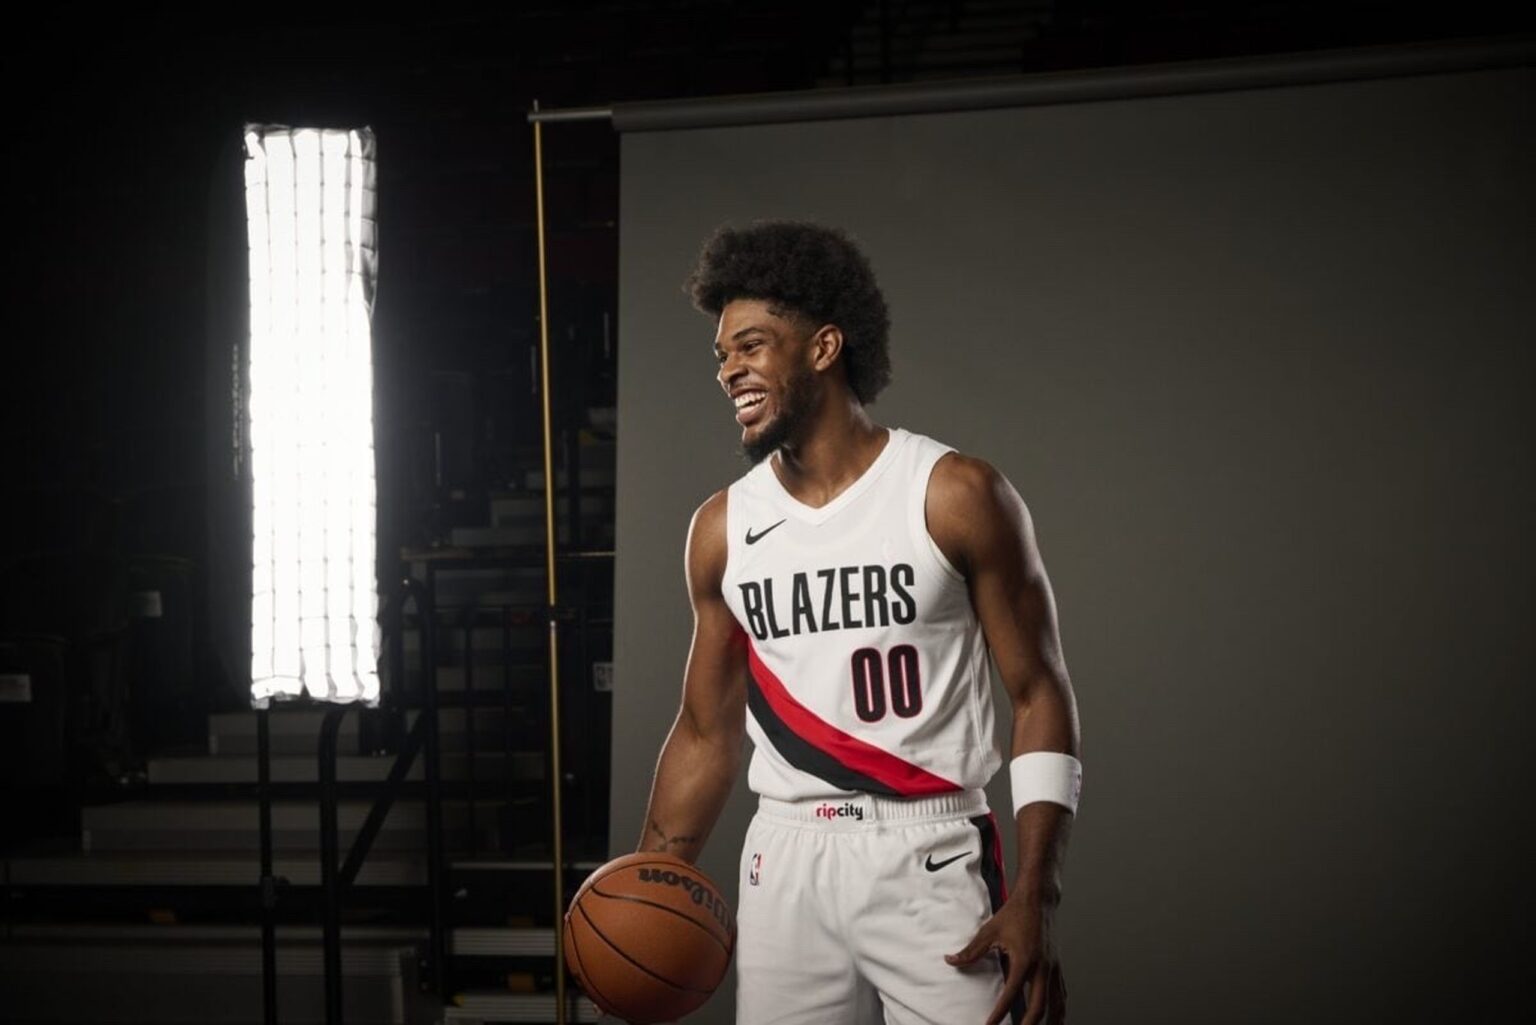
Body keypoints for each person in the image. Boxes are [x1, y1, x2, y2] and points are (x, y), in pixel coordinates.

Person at [638, 221, 1081, 1025]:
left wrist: (1036, 895)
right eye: (722, 354)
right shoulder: (722, 528)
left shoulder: (952, 493)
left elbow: (1039, 692)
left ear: (824, 347)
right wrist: (645, 888)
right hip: (784, 860)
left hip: (931, 852)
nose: (730, 368)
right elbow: (706, 733)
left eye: (753, 345)